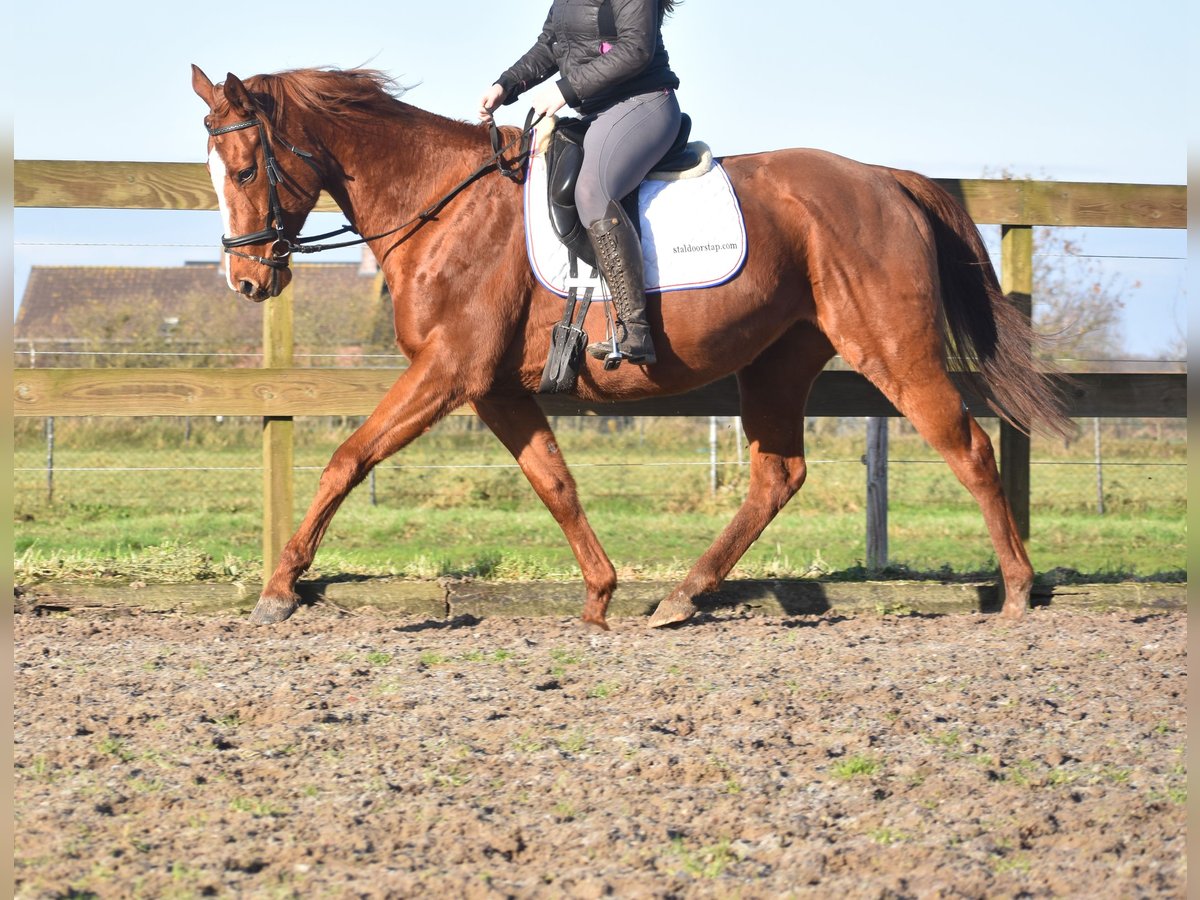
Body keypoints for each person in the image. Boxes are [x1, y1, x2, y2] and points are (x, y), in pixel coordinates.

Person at [479, 0, 683, 366]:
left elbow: (636, 50)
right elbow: (551, 44)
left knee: (591, 192)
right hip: (599, 111)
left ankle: (636, 330)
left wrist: (565, 90)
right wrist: (506, 84)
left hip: (645, 104)